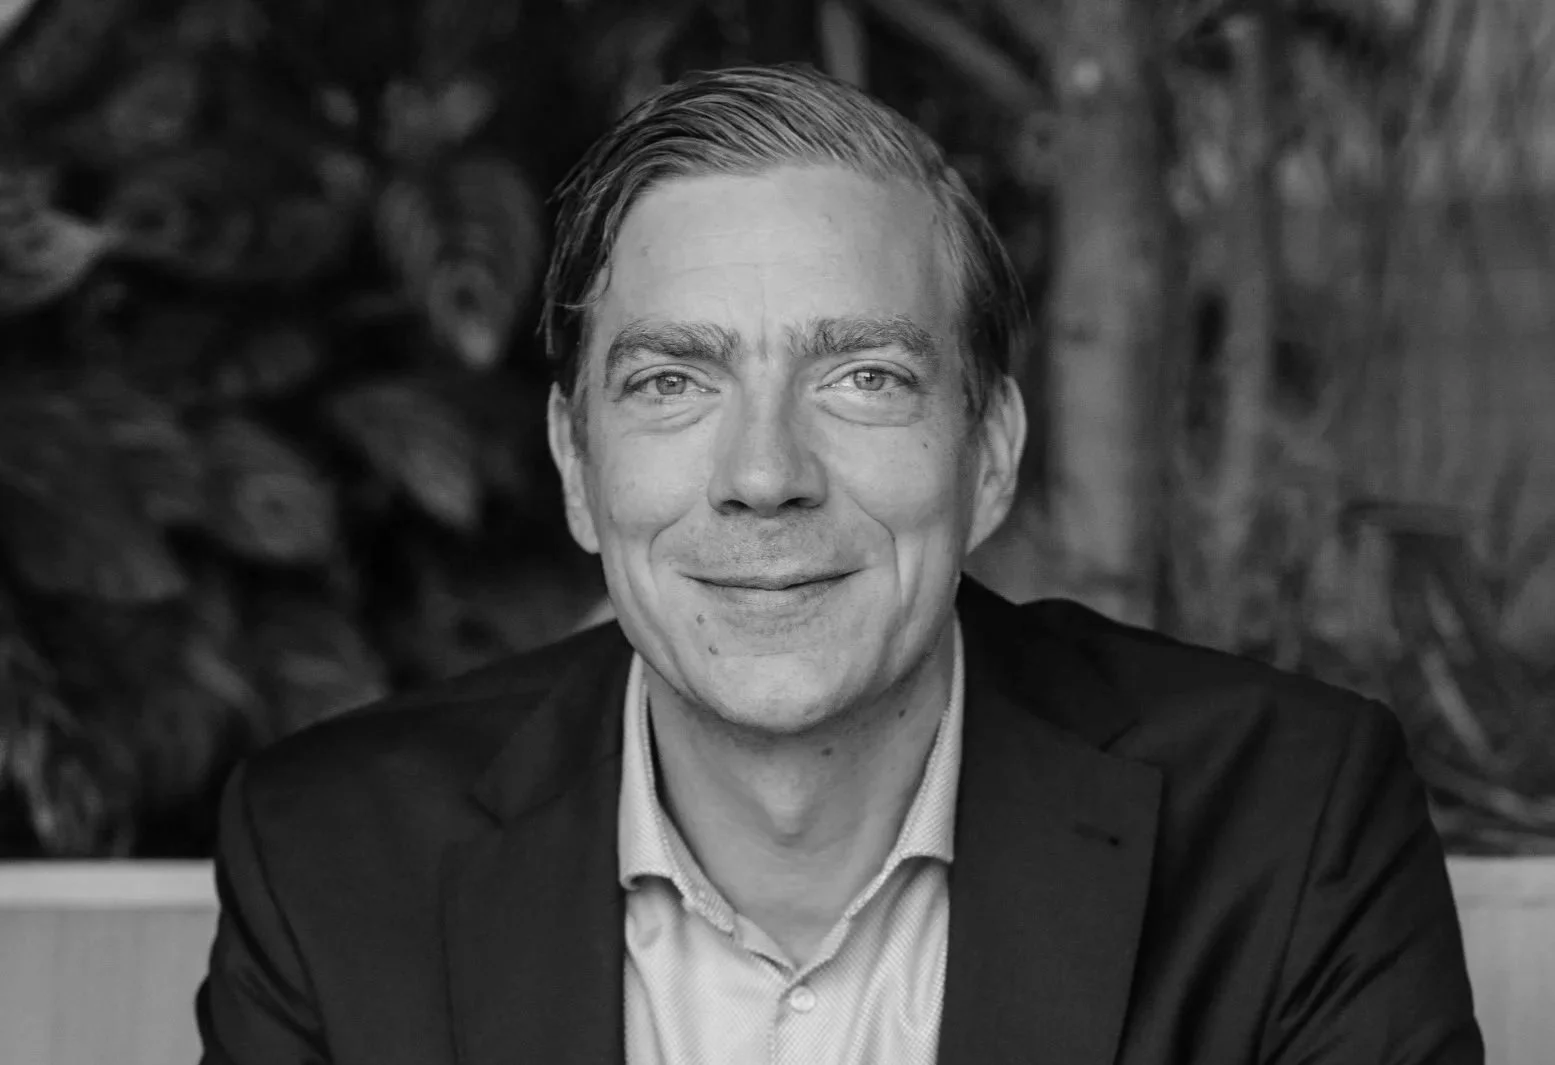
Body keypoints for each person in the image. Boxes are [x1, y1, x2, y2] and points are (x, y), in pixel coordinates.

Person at [196, 64, 1482, 1065]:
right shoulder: (332, 861)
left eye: (863, 377)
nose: (765, 474)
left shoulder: (1289, 825)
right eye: (671, 381)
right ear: (578, 468)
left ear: (989, 456)